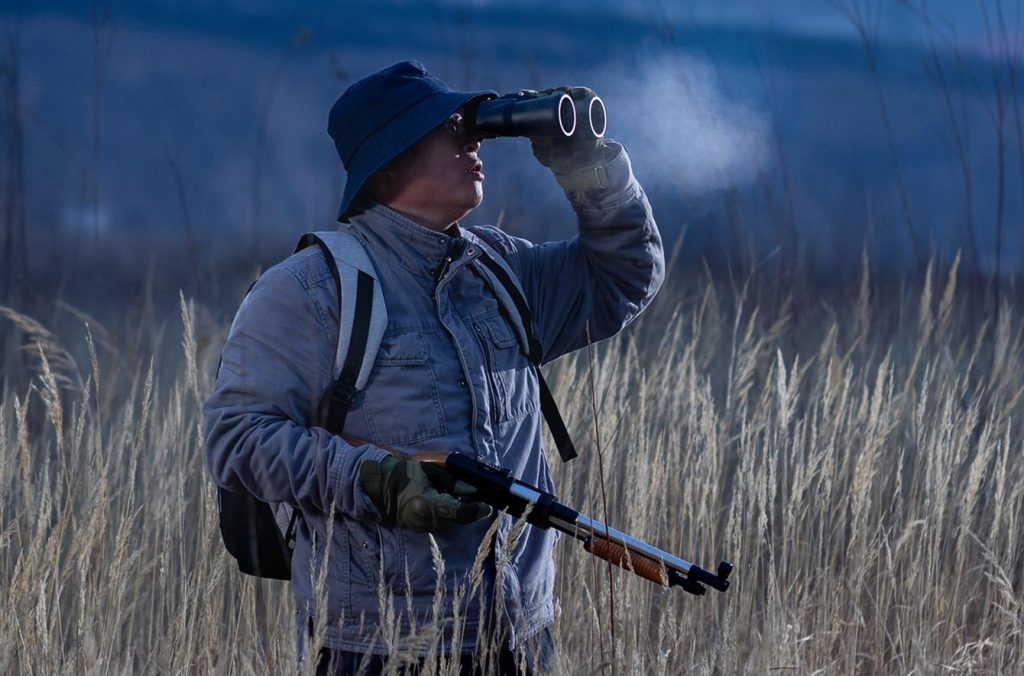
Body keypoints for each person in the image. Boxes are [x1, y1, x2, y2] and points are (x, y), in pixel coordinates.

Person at [203, 60, 664, 674]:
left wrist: (589, 167)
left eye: (469, 124)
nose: (473, 140)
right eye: (448, 128)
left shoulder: (500, 273)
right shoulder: (310, 292)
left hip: (519, 635)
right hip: (379, 645)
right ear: (386, 162)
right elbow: (236, 439)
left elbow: (625, 277)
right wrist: (378, 480)